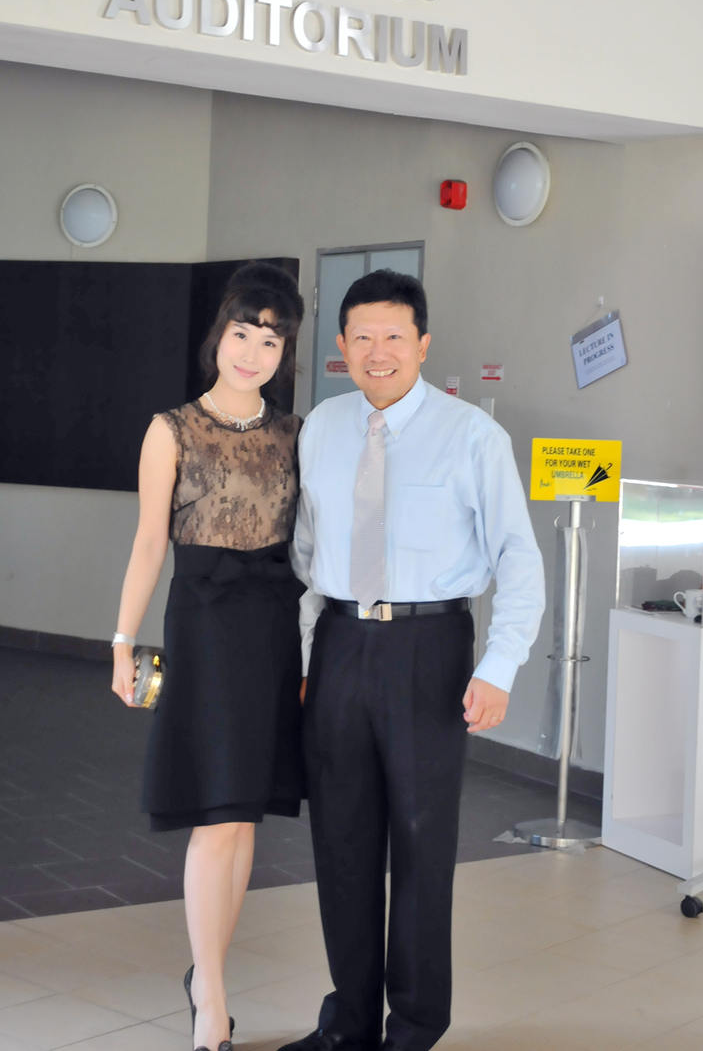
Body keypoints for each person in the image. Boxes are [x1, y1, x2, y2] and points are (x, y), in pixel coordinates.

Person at [284, 270, 545, 1051]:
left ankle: (416, 1026)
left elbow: (519, 558)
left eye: (394, 336)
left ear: (423, 344)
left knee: (423, 845)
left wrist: (498, 666)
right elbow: (306, 558)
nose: (379, 351)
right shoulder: (321, 427)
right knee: (342, 843)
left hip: (430, 651)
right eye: (362, 337)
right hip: (339, 645)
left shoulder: (472, 436)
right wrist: (307, 659)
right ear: (341, 346)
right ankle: (350, 1024)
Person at [111, 262, 305, 1051]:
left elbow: (313, 549)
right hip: (203, 629)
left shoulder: (295, 434)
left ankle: (207, 977)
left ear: (285, 352)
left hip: (273, 633)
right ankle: (212, 1002)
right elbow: (148, 543)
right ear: (217, 336)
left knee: (244, 815)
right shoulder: (172, 429)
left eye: (271, 341)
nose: (253, 353)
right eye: (242, 334)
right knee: (215, 816)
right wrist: (122, 641)